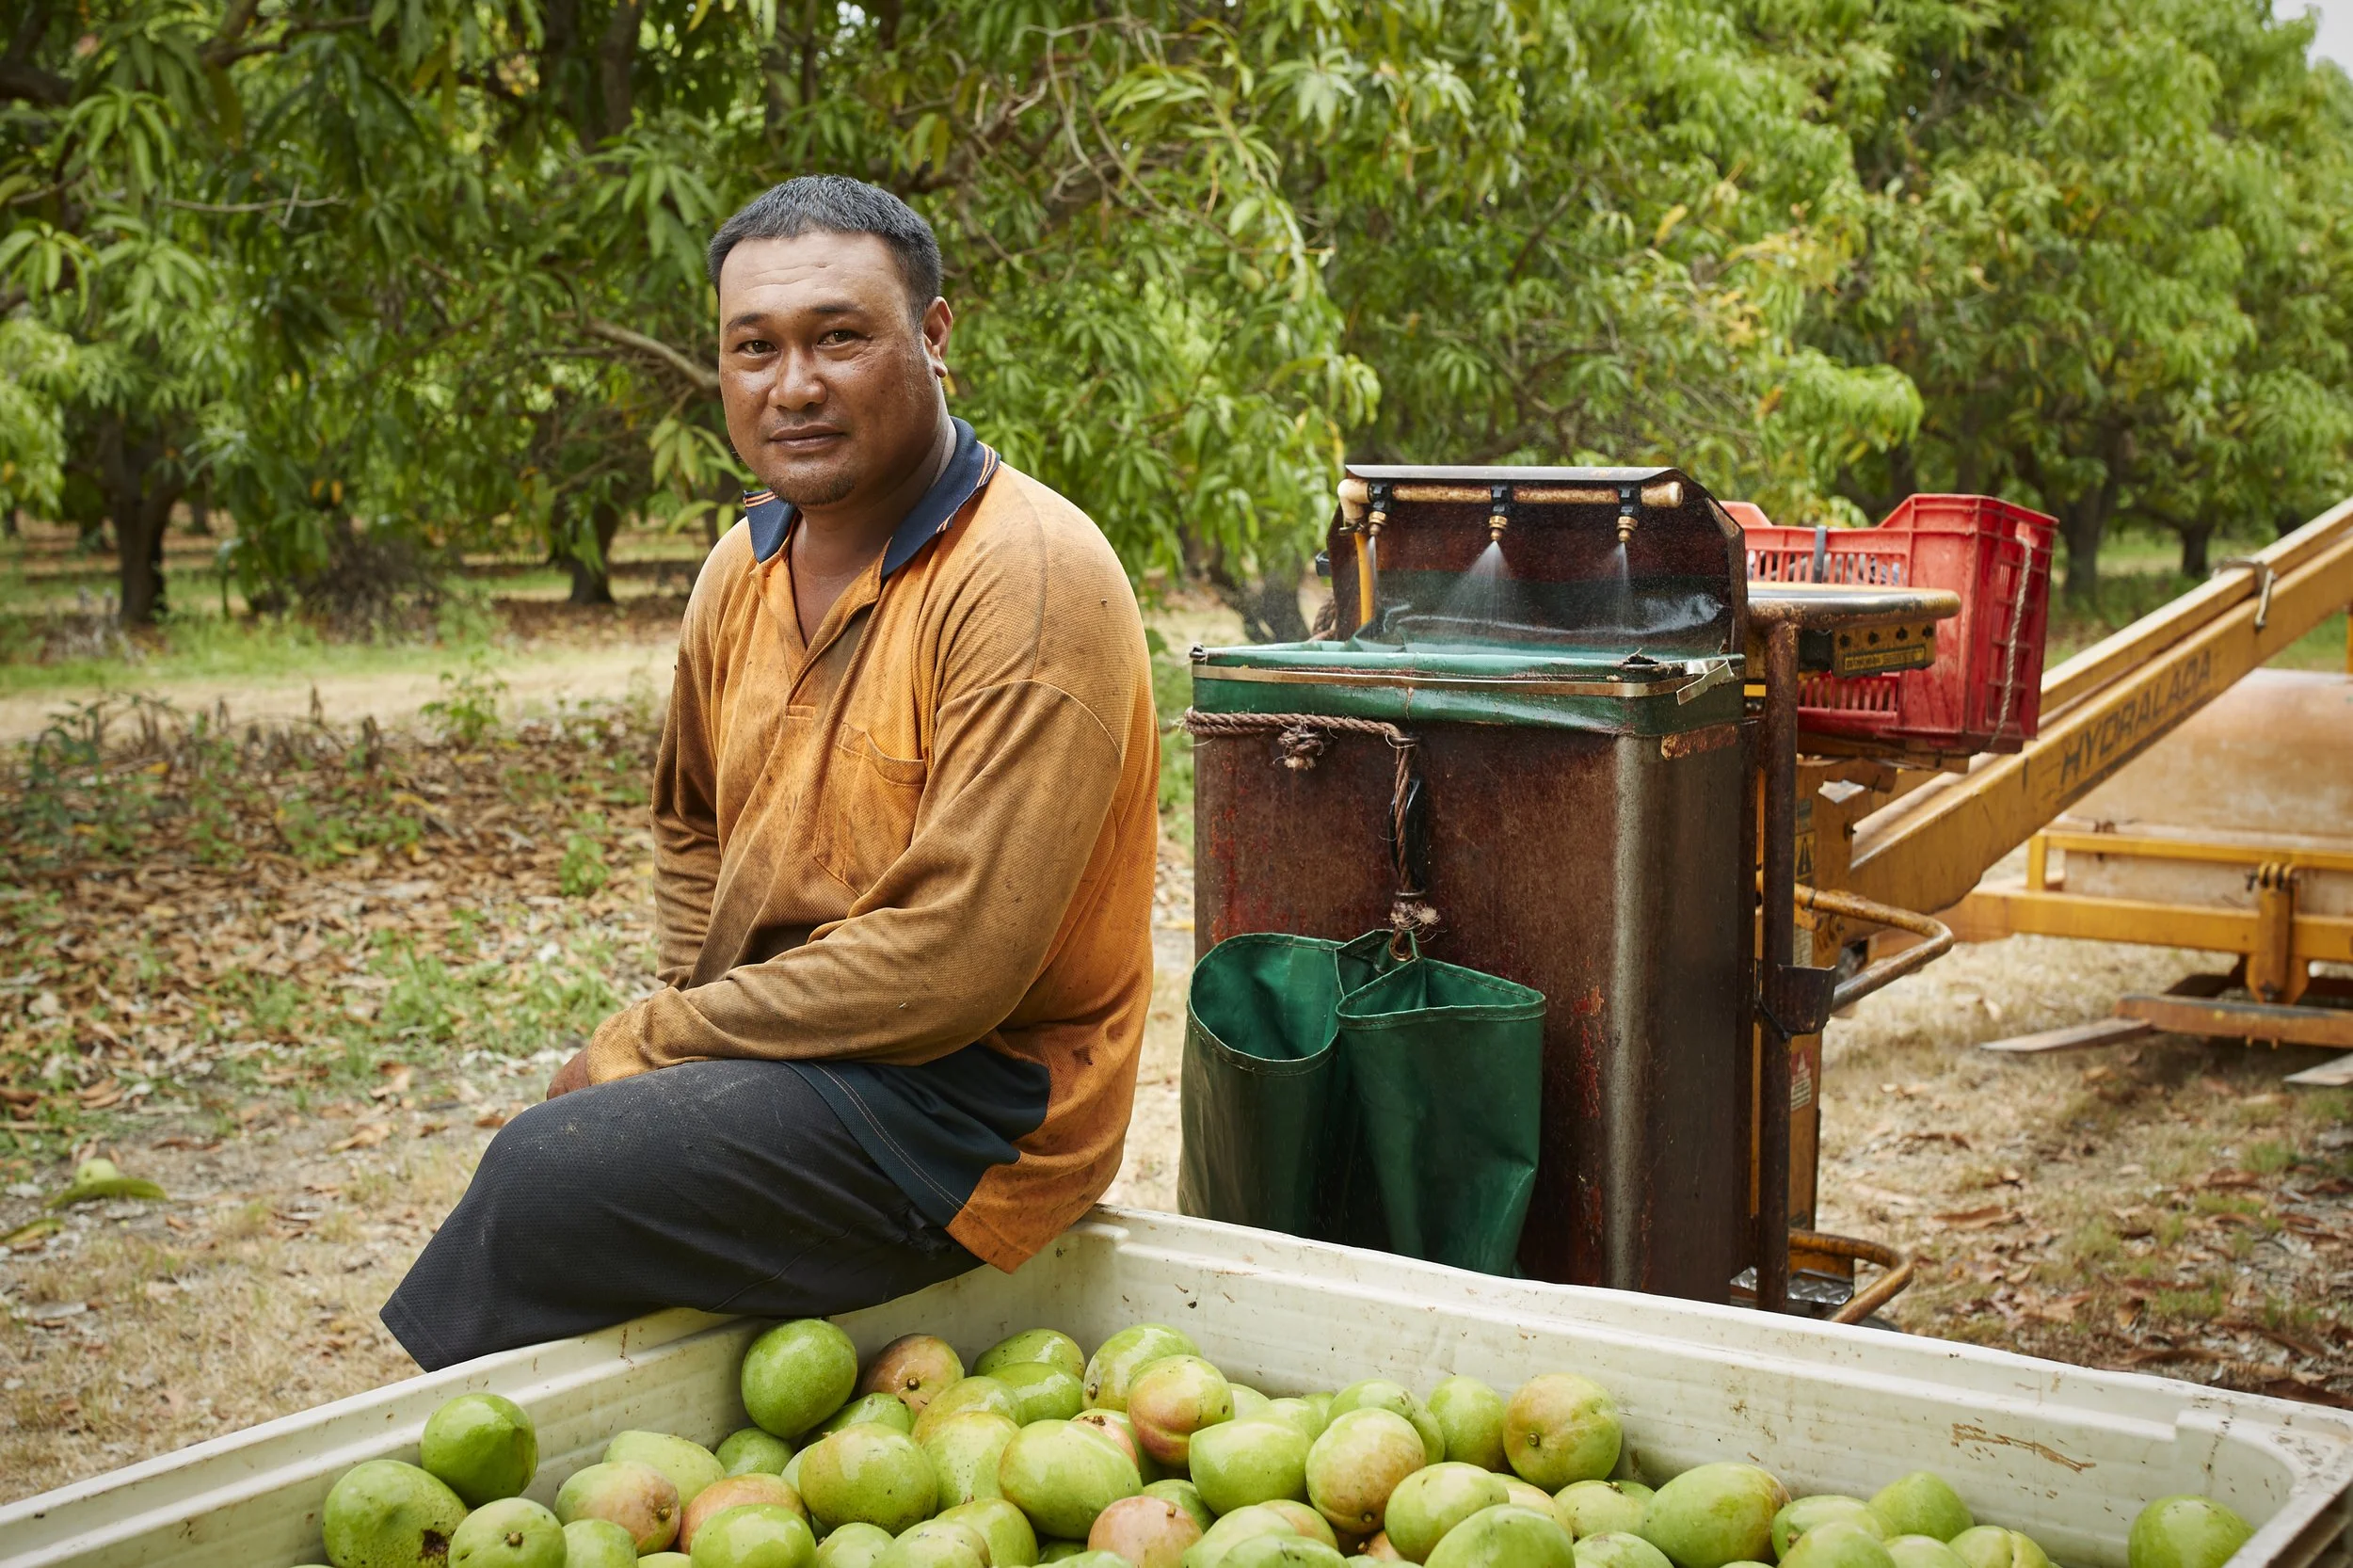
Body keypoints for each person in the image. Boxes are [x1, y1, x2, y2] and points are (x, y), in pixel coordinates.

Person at [381, 177, 1160, 1370]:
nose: (792, 385)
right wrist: (697, 1054)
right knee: (593, 1155)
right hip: (803, 1057)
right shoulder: (737, 569)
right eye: (755, 347)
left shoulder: (1028, 577)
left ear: (934, 337)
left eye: (839, 337)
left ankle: (452, 1484)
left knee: (548, 1170)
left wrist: (653, 1044)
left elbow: (952, 962)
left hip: (975, 1108)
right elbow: (690, 823)